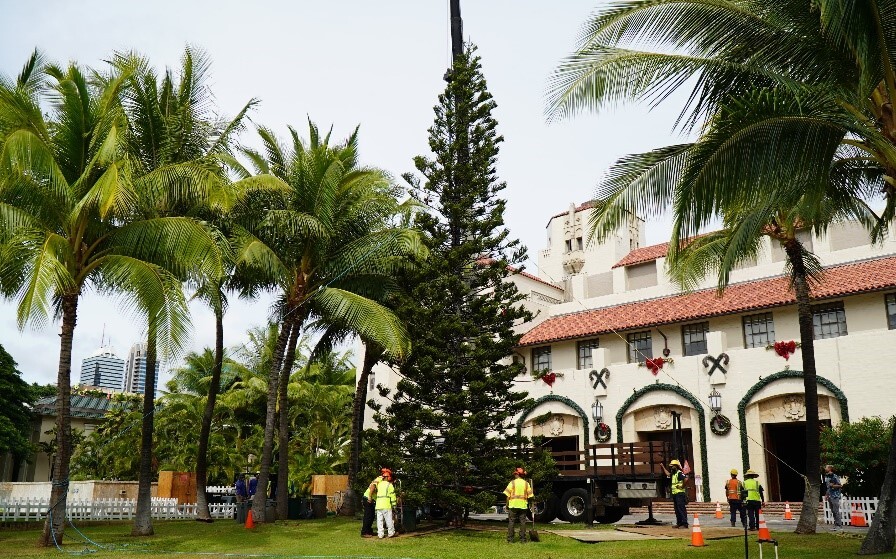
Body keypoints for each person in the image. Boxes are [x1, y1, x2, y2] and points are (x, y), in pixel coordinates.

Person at [503, 467, 533, 543]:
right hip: (523, 506)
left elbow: (507, 496)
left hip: (513, 505)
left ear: (517, 474)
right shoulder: (526, 484)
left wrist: (507, 505)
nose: (514, 475)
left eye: (515, 474)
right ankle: (523, 539)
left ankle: (510, 539)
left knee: (511, 522)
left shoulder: (512, 483)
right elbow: (530, 496)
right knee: (522, 522)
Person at [361, 469, 387, 538]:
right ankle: (364, 532)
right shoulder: (380, 479)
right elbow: (372, 486)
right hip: (368, 498)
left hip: (372, 499)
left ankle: (369, 531)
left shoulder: (383, 481)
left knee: (372, 516)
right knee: (368, 516)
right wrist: (369, 497)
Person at [662, 459, 688, 528]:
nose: (671, 467)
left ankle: (685, 524)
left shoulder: (679, 473)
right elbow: (667, 474)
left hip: (680, 493)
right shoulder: (673, 474)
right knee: (677, 509)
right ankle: (679, 523)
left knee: (681, 509)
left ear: (676, 466)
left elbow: (686, 479)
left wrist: (682, 486)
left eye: (672, 466)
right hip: (675, 494)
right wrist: (662, 467)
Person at [374, 469, 397, 539]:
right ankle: (391, 533)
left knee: (379, 520)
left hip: (378, 505)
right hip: (386, 505)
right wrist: (394, 505)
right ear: (388, 477)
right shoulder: (389, 485)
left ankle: (380, 534)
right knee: (389, 520)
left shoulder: (379, 484)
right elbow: (392, 496)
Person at [824, 464, 843, 530]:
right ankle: (836, 525)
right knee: (833, 511)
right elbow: (828, 487)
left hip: (835, 495)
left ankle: (839, 526)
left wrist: (833, 486)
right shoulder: (827, 477)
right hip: (830, 495)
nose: (825, 468)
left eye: (826, 467)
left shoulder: (835, 476)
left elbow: (840, 485)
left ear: (829, 468)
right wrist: (826, 495)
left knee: (836, 510)